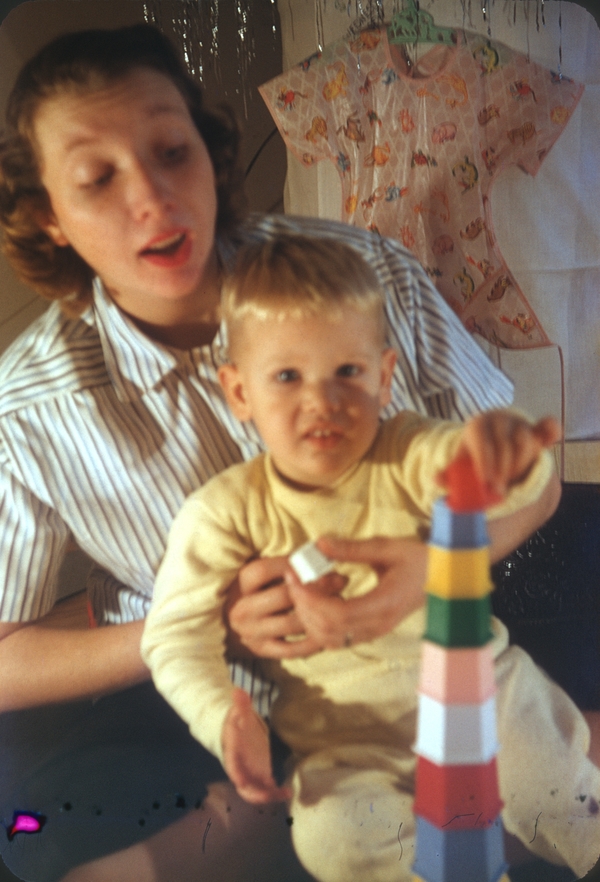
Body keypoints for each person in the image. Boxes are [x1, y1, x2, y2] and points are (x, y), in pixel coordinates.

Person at [0, 21, 562, 882]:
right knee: (44, 850)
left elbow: (533, 481)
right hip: (192, 696)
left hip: (429, 636)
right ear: (51, 218)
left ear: (208, 152)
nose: (152, 197)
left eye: (170, 152)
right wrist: (194, 623)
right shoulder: (29, 411)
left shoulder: (366, 273)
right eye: (98, 177)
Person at [141, 234, 600, 882]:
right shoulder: (224, 510)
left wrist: (504, 457)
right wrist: (222, 715)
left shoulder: (404, 450)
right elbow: (172, 636)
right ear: (239, 393)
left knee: (550, 786)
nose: (322, 402)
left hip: (479, 697)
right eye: (287, 376)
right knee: (332, 838)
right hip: (345, 741)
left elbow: (488, 471)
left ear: (385, 378)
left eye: (347, 373)